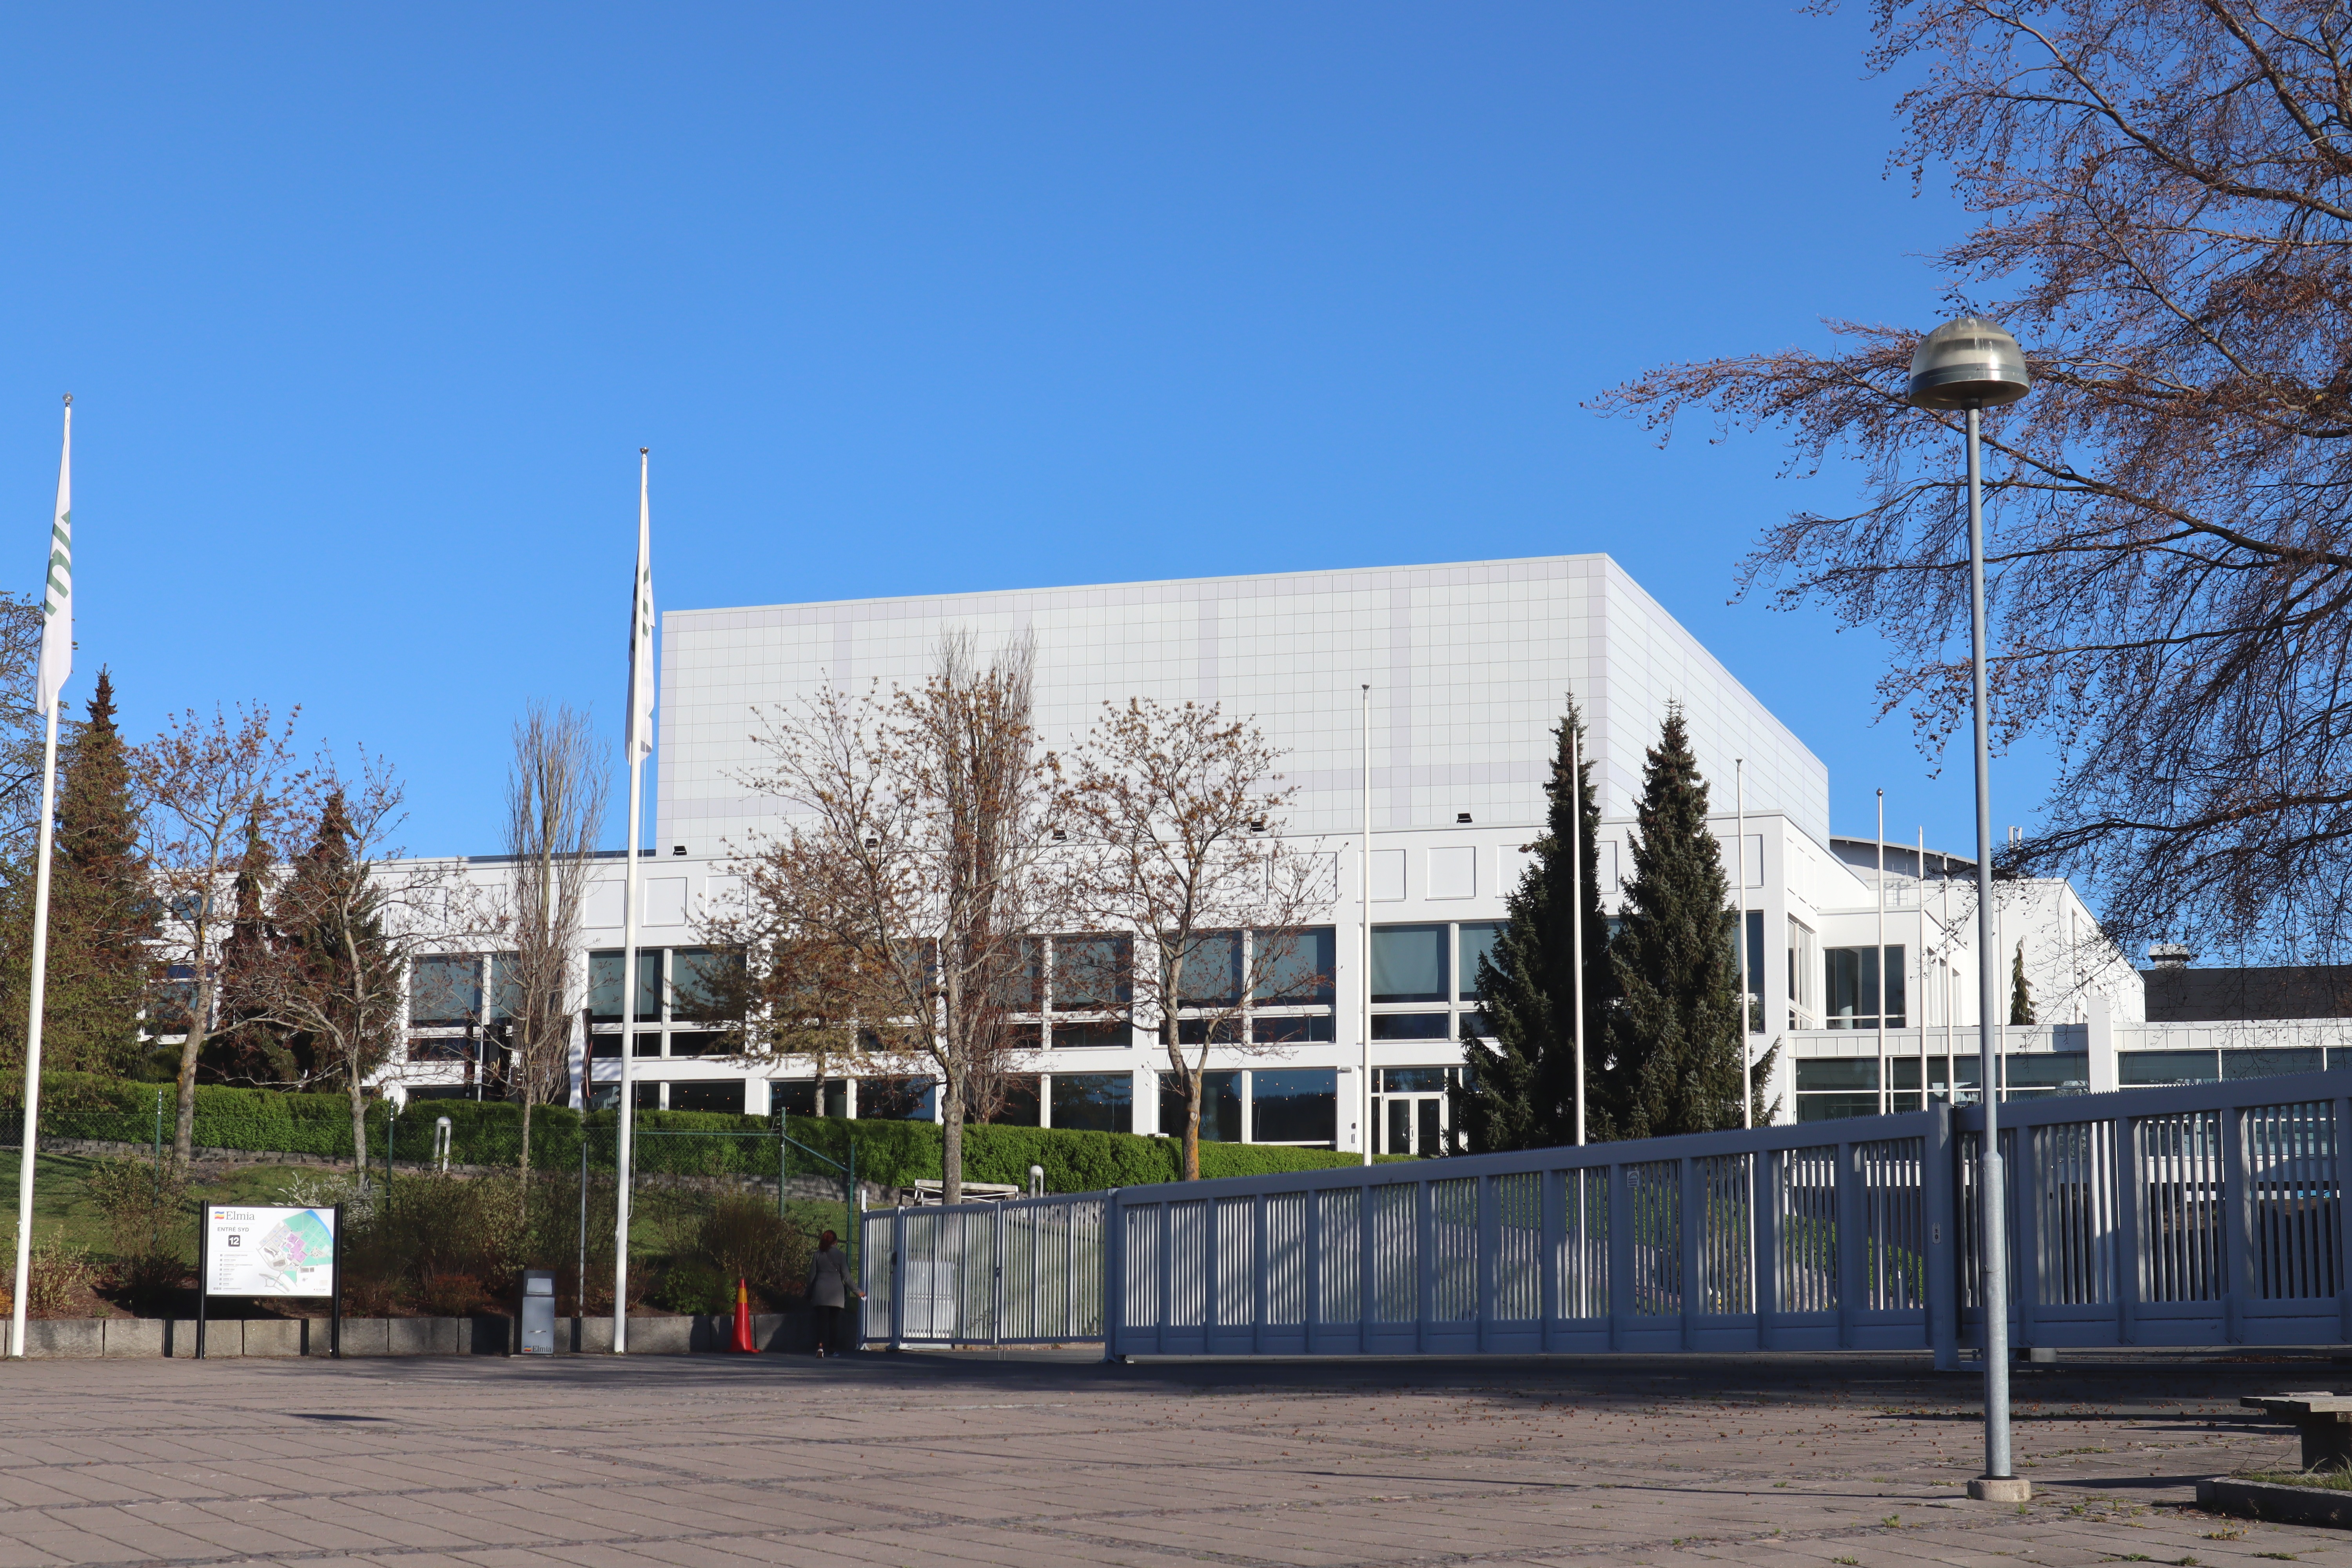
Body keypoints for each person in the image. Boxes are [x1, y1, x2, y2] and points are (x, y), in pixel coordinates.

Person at [807, 1229, 863, 1357]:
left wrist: (808, 1292)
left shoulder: (818, 1255)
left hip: (820, 1292)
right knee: (833, 1323)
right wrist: (858, 1292)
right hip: (836, 1294)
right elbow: (846, 1277)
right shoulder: (841, 1256)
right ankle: (832, 1349)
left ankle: (820, 1347)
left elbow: (812, 1277)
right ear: (836, 1242)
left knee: (821, 1322)